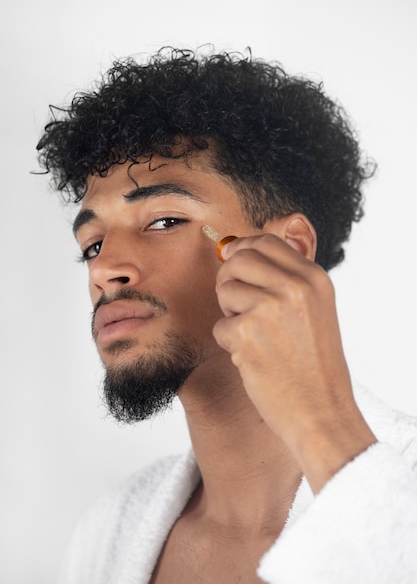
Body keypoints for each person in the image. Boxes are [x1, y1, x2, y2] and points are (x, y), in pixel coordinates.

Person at [37, 48, 417, 584]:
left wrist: (327, 430)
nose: (107, 271)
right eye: (93, 244)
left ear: (288, 249)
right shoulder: (108, 532)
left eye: (165, 220)